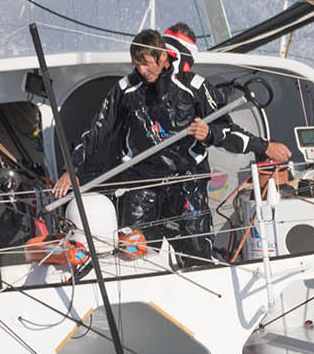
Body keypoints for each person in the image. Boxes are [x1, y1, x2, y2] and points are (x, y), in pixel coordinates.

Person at [52, 28, 289, 263]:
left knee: (197, 254)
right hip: (143, 183)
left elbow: (228, 130)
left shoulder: (194, 86)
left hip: (186, 182)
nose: (141, 71)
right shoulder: (126, 88)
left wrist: (215, 135)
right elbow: (97, 131)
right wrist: (70, 170)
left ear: (163, 57)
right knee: (132, 255)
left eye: (146, 63)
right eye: (136, 64)